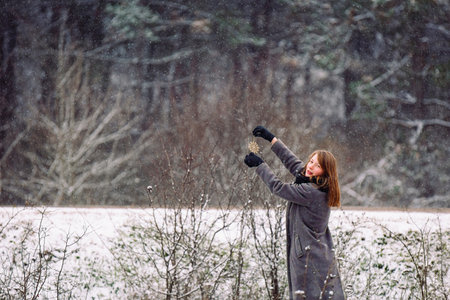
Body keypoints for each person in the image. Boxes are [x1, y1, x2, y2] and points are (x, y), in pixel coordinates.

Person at [244, 125, 345, 300]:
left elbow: (278, 188)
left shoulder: (311, 192)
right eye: (311, 161)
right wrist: (272, 139)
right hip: (316, 255)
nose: (311, 167)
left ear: (325, 172)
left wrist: (260, 165)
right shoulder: (317, 185)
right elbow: (294, 164)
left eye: (317, 165)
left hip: (310, 259)